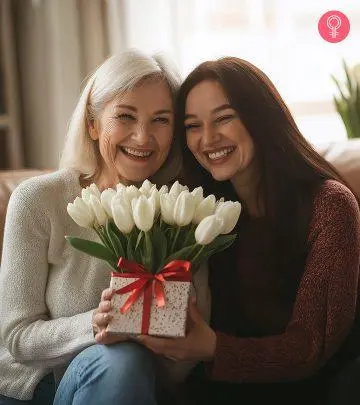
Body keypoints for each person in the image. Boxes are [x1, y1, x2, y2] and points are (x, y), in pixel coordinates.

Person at [133, 57, 360, 405]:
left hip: (319, 386)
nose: (208, 139)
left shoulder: (329, 205)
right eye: (193, 126)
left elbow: (310, 346)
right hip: (222, 385)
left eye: (224, 118)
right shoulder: (196, 206)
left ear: (260, 118)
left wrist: (211, 347)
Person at [0, 49, 210, 405]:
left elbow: (179, 371)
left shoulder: (181, 213)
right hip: (37, 390)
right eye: (126, 116)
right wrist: (96, 325)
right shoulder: (39, 200)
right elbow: (15, 338)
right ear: (94, 124)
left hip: (135, 386)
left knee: (129, 361)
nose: (143, 137)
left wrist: (174, 339)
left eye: (161, 120)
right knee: (122, 361)